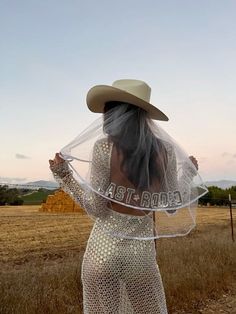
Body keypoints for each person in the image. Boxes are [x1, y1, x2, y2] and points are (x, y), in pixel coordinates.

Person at [49, 79, 206, 314]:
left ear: (117, 113)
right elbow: (173, 205)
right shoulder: (166, 151)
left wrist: (65, 177)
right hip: (140, 259)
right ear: (144, 115)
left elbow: (97, 208)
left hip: (102, 253)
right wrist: (188, 174)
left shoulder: (104, 148)